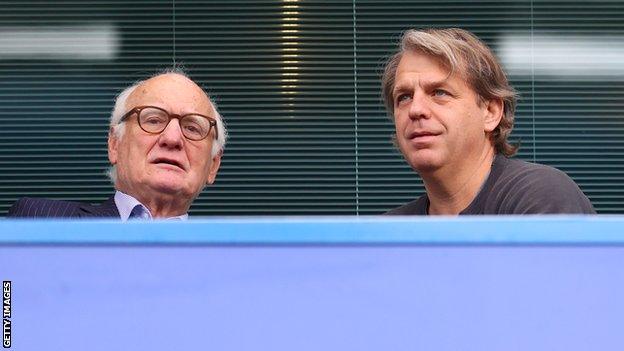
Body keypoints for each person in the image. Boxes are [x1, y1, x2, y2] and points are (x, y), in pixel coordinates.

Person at [381, 28, 594, 215]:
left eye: (439, 92)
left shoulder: (540, 195)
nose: (416, 109)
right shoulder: (388, 234)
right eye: (404, 97)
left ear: (490, 112)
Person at [8, 70, 227, 220]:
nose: (172, 139)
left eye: (192, 128)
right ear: (115, 144)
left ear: (213, 166)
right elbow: (6, 288)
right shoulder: (41, 220)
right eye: (153, 120)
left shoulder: (233, 260)